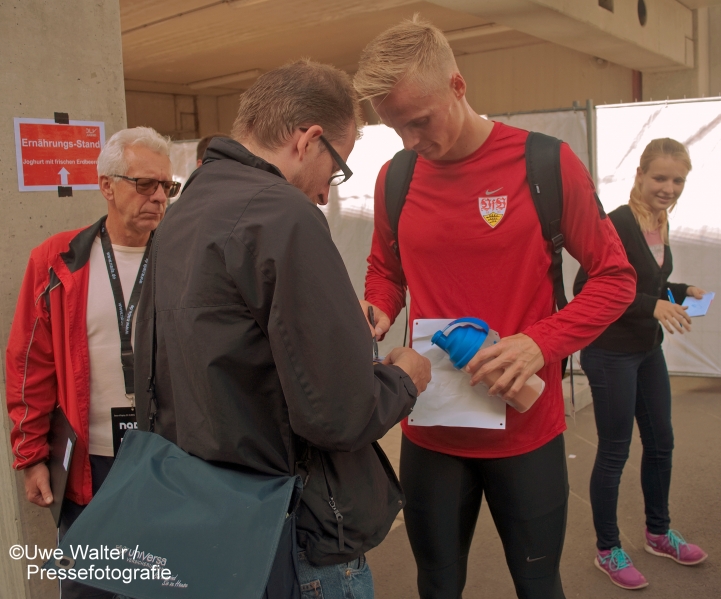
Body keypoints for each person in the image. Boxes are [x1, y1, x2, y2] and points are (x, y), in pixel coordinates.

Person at [353, 16, 637, 599]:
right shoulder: (396, 176)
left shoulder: (546, 165)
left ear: (457, 86)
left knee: (537, 583)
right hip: (431, 425)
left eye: (419, 121)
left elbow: (615, 278)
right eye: (394, 128)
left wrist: (541, 342)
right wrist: (377, 307)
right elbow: (387, 271)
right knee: (437, 584)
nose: (410, 140)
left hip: (525, 425)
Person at [133, 59, 431, 599]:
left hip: (213, 516)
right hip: (295, 532)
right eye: (336, 168)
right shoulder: (284, 215)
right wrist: (404, 379)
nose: (325, 191)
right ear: (308, 140)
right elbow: (340, 414)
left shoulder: (181, 213)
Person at [5, 126, 178, 598]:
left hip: (169, 460)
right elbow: (29, 366)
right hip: (90, 467)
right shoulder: (59, 260)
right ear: (107, 186)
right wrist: (31, 457)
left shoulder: (185, 260)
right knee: (91, 590)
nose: (159, 196)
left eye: (167, 186)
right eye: (145, 184)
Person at [574, 138, 708, 591]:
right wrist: (652, 303)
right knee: (614, 452)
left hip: (647, 349)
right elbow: (587, 288)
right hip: (610, 352)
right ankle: (607, 549)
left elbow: (647, 282)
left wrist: (679, 290)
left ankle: (657, 533)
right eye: (661, 178)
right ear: (639, 175)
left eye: (678, 180)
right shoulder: (615, 223)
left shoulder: (660, 221)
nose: (669, 188)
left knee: (662, 444)